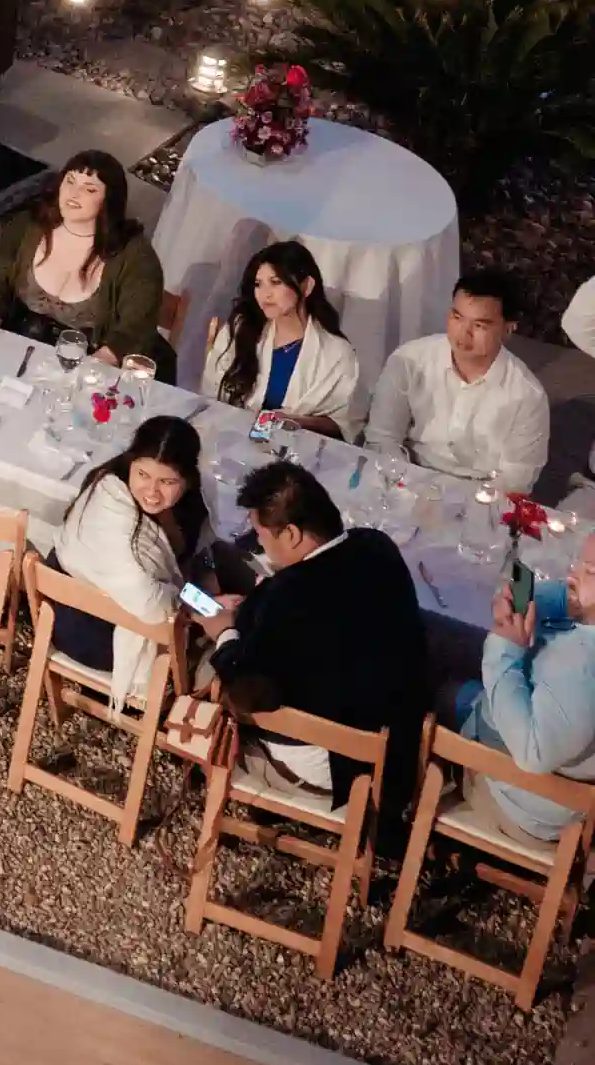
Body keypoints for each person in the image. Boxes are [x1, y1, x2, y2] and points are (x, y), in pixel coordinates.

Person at [201, 459, 430, 812]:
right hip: (401, 745)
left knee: (207, 674)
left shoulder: (284, 597)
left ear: (292, 534)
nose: (259, 544)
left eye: (261, 535)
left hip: (336, 767)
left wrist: (225, 633)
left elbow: (247, 694)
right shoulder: (376, 544)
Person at [39, 417, 213, 702]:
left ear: (188, 480)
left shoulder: (191, 506)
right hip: (87, 632)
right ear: (131, 462)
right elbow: (152, 601)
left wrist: (208, 580)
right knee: (218, 627)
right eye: (143, 474)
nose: (152, 492)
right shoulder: (108, 501)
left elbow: (197, 554)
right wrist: (205, 605)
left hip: (117, 609)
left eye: (167, 481)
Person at [0, 149, 168, 370]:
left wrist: (87, 370)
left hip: (87, 363)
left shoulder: (134, 256)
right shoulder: (27, 226)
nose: (74, 194)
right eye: (70, 181)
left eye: (89, 189)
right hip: (15, 348)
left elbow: (134, 332)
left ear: (109, 200)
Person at [460, 527, 595, 844]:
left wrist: (505, 650)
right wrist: (545, 600)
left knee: (429, 688)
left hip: (520, 806)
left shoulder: (581, 669)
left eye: (589, 570)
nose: (572, 573)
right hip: (546, 771)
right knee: (452, 647)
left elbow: (533, 754)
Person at [368, 272, 550, 494]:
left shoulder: (527, 395)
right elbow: (382, 436)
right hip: (409, 477)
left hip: (479, 493)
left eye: (479, 325)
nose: (463, 333)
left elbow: (516, 479)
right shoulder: (409, 360)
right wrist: (406, 486)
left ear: (508, 329)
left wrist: (466, 503)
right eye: (457, 317)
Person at [201, 240, 364, 436]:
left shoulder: (336, 353)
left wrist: (297, 422)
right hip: (228, 437)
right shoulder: (241, 328)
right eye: (258, 284)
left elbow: (343, 423)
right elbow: (211, 392)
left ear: (307, 286)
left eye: (276, 282)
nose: (265, 294)